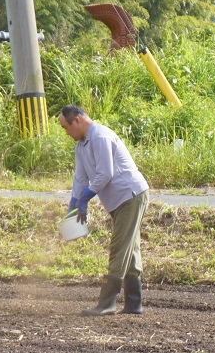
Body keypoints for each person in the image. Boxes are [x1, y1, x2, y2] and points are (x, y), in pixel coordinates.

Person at [59, 104, 150, 316]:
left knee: (119, 248)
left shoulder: (100, 136)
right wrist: (74, 202)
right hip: (120, 200)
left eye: (66, 127)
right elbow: (80, 177)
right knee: (130, 248)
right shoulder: (81, 146)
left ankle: (107, 303)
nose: (66, 132)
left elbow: (106, 173)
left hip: (131, 195)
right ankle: (134, 304)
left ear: (77, 120)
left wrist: (87, 196)